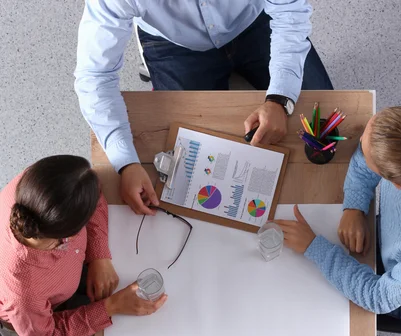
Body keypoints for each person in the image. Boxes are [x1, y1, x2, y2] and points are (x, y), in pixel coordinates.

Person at [74, 1, 333, 216]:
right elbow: (95, 76)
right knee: (190, 164)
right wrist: (126, 162)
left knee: (326, 124)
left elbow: (289, 10)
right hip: (174, 45)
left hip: (256, 20)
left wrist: (280, 97)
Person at [275, 105, 401, 322]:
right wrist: (354, 206)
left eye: (367, 154)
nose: (359, 143)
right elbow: (367, 154)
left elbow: (379, 298)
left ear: (395, 182)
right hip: (398, 243)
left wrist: (315, 247)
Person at [0, 155, 167, 336]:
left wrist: (100, 257)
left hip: (58, 283)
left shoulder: (36, 184)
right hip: (39, 331)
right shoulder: (24, 291)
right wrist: (111, 307)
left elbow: (94, 193)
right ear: (67, 236)